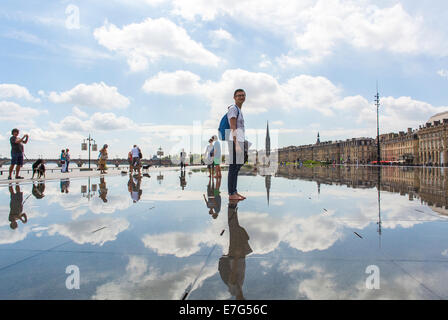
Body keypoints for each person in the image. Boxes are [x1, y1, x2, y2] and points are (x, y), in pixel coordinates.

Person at [218, 201, 252, 300]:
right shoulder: (239, 289)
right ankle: (233, 208)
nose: (243, 298)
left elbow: (233, 276)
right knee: (235, 229)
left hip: (235, 256)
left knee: (234, 229)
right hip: (238, 257)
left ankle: (231, 207)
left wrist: (237, 257)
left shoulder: (234, 291)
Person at [227, 89, 247, 200]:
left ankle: (234, 191)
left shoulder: (239, 110)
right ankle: (231, 193)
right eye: (238, 95)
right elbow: (233, 127)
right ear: (234, 97)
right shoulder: (233, 109)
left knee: (236, 166)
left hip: (239, 140)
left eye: (243, 95)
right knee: (233, 167)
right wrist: (236, 144)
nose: (241, 97)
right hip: (234, 141)